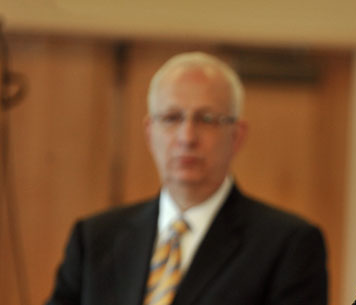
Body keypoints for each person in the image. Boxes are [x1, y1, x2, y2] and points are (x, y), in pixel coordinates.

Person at [47, 52, 328, 305]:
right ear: (149, 132)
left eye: (206, 119)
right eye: (171, 118)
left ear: (237, 135)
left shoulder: (288, 244)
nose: (187, 137)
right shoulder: (95, 238)